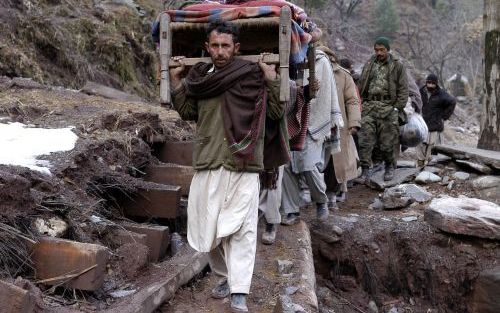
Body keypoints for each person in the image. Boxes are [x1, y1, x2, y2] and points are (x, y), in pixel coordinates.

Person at [169, 21, 285, 312]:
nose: (220, 52)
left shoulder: (253, 76)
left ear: (237, 48)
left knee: (243, 230)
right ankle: (224, 277)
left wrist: (271, 78)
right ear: (207, 48)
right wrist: (175, 82)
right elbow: (187, 112)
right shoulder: (201, 79)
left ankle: (239, 293)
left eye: (226, 46)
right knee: (207, 231)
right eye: (215, 46)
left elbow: (275, 112)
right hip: (209, 161)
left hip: (242, 164)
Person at [281, 47, 343, 225]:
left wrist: (304, 100)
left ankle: (321, 201)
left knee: (309, 166)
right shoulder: (283, 57)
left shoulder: (319, 61)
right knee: (287, 167)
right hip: (287, 118)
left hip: (312, 120)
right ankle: (291, 210)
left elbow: (322, 93)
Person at [357, 37, 409, 182]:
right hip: (369, 106)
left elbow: (404, 90)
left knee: (388, 141)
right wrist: (360, 102)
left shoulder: (397, 66)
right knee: (365, 139)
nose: (379, 53)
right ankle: (365, 170)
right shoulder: (369, 63)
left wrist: (396, 108)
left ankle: (389, 167)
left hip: (388, 107)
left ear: (388, 49)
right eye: (376, 50)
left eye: (382, 50)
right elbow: (361, 83)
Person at [318, 46, 361, 208]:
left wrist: (354, 122)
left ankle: (331, 195)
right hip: (317, 125)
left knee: (335, 164)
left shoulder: (343, 75)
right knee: (318, 162)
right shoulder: (311, 71)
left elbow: (352, 100)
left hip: (338, 126)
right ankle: (319, 194)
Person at [416, 73, 456, 166]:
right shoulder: (421, 91)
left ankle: (428, 163)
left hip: (435, 123)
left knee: (431, 145)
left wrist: (444, 116)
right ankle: (420, 161)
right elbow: (416, 99)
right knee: (419, 143)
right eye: (428, 83)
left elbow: (452, 102)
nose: (430, 85)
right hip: (422, 122)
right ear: (426, 82)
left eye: (432, 83)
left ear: (436, 84)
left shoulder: (441, 94)